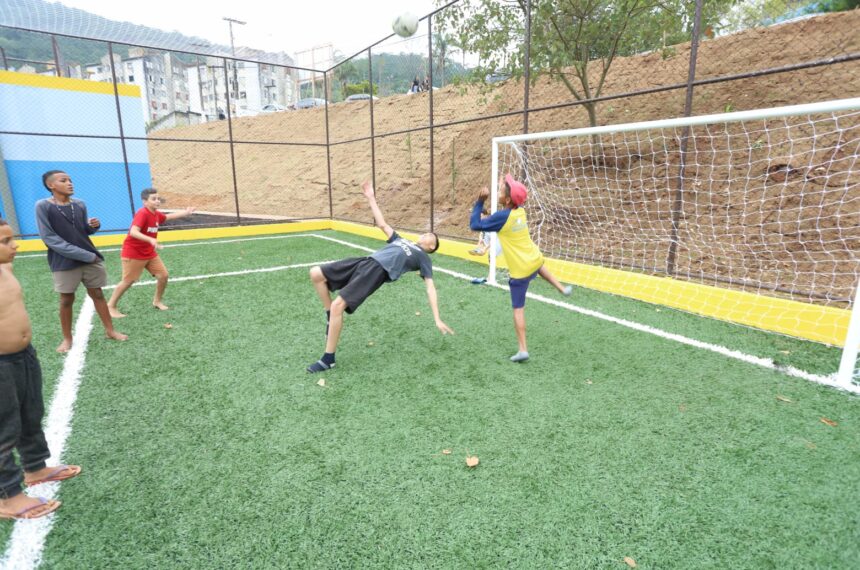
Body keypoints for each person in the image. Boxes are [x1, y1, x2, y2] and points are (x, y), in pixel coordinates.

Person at [306, 180, 454, 373]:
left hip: (376, 272)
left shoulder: (423, 258)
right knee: (316, 273)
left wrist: (437, 317)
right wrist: (371, 198)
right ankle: (329, 315)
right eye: (426, 233)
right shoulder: (402, 240)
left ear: (431, 246)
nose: (425, 235)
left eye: (429, 236)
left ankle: (328, 359)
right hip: (365, 261)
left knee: (338, 306)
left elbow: (430, 287)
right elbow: (382, 224)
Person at [0, 218, 82, 520]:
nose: (15, 245)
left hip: (23, 356)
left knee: (30, 415)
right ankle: (8, 497)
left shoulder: (5, 268)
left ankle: (35, 468)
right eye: (5, 241)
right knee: (3, 430)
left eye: (11, 239)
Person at [470, 174, 572, 362]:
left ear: (508, 200)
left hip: (519, 271)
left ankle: (523, 349)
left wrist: (480, 201)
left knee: (518, 309)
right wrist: (504, 182)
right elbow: (513, 197)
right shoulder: (521, 211)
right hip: (533, 258)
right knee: (540, 266)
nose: (498, 192)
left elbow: (475, 224)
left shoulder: (502, 217)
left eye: (500, 191)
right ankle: (561, 288)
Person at [36, 170, 127, 353]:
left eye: (70, 180)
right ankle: (67, 338)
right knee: (66, 299)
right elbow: (50, 239)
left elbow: (81, 231)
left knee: (98, 294)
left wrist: (92, 227)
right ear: (51, 185)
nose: (70, 183)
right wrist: (86, 255)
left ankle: (110, 330)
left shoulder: (80, 204)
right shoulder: (43, 206)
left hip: (89, 258)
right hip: (65, 260)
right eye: (64, 180)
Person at [107, 188, 195, 318]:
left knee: (163, 275)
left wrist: (185, 212)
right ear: (144, 201)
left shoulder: (156, 214)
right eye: (153, 199)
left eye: (158, 198)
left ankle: (157, 301)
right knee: (128, 281)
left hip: (149, 252)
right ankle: (110, 306)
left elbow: (168, 216)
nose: (157, 201)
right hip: (133, 253)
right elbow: (133, 232)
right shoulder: (142, 213)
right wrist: (150, 239)